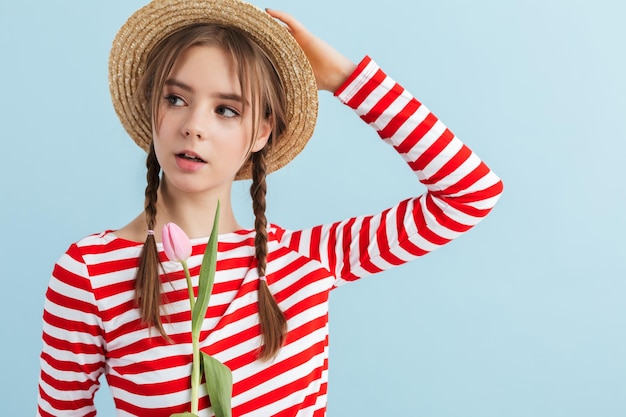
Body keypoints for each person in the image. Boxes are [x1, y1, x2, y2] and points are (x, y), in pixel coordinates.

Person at [37, 0, 503, 416]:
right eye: (176, 99)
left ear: (261, 133)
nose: (193, 126)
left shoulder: (305, 262)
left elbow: (469, 192)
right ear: (150, 108)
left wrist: (344, 78)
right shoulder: (90, 274)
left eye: (227, 110)